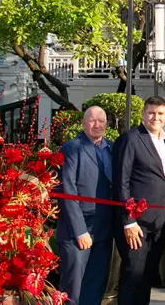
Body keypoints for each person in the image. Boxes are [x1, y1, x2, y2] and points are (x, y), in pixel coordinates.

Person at [112, 96, 165, 305]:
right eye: (151, 113)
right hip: (136, 225)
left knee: (146, 278)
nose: (155, 117)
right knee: (133, 276)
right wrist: (128, 221)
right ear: (143, 114)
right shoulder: (131, 139)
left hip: (158, 225)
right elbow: (122, 182)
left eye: (160, 114)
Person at [57, 106, 114, 305]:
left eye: (101, 120)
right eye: (92, 120)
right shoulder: (72, 148)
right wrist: (80, 231)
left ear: (107, 124)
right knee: (74, 289)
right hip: (77, 231)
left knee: (96, 285)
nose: (97, 124)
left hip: (104, 230)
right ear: (83, 123)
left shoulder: (112, 148)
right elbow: (67, 191)